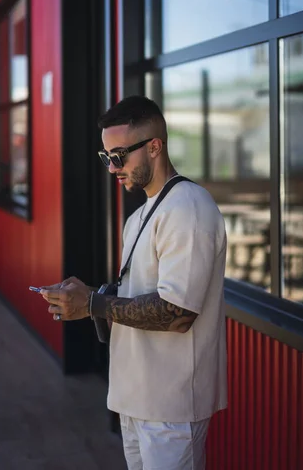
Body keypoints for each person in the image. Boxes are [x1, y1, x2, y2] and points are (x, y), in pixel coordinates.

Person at [40, 95, 228, 470]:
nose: (112, 168)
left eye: (120, 155)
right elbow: (144, 291)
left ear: (155, 146)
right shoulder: (140, 216)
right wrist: (98, 295)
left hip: (171, 407)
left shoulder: (189, 207)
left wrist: (92, 302)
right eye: (106, 157)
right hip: (135, 399)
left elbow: (177, 312)